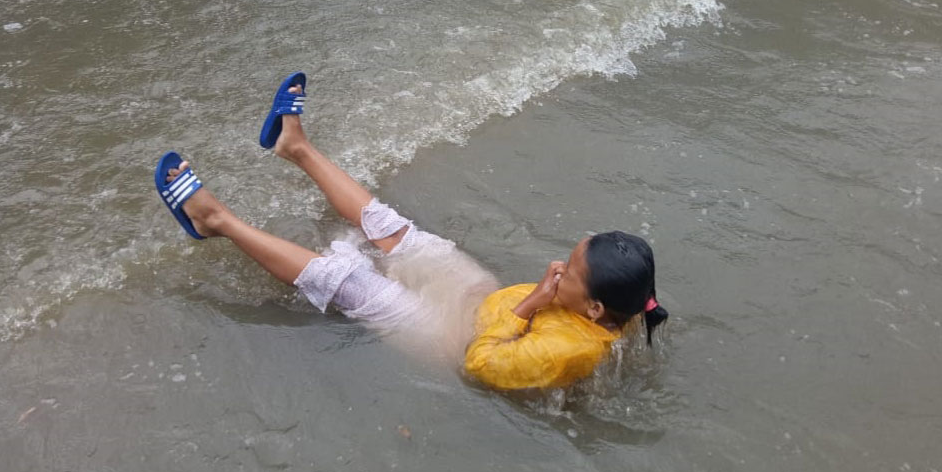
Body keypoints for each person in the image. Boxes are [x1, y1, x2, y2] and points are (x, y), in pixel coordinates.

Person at [155, 73, 668, 390]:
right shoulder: (615, 303)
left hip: (445, 338)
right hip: (477, 297)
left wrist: (534, 301)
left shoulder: (568, 351)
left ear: (596, 308)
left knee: (346, 281)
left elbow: (481, 365)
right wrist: (545, 296)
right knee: (395, 231)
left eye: (570, 270)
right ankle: (296, 147)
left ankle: (214, 220)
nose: (558, 268)